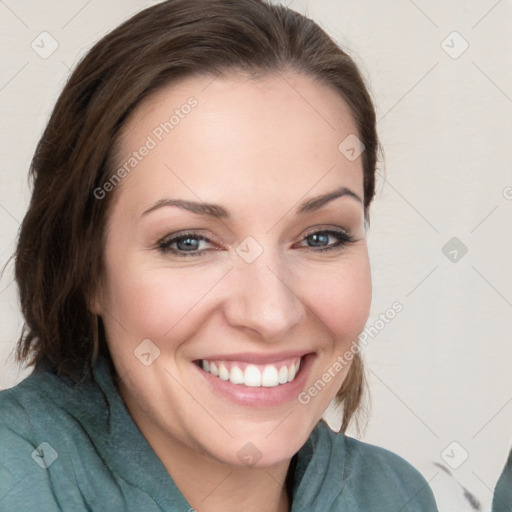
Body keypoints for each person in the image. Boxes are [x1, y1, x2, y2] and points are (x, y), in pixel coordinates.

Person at [0, 0, 439, 510]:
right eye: (189, 242)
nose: (271, 314)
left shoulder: (390, 494)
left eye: (321, 237)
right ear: (86, 269)